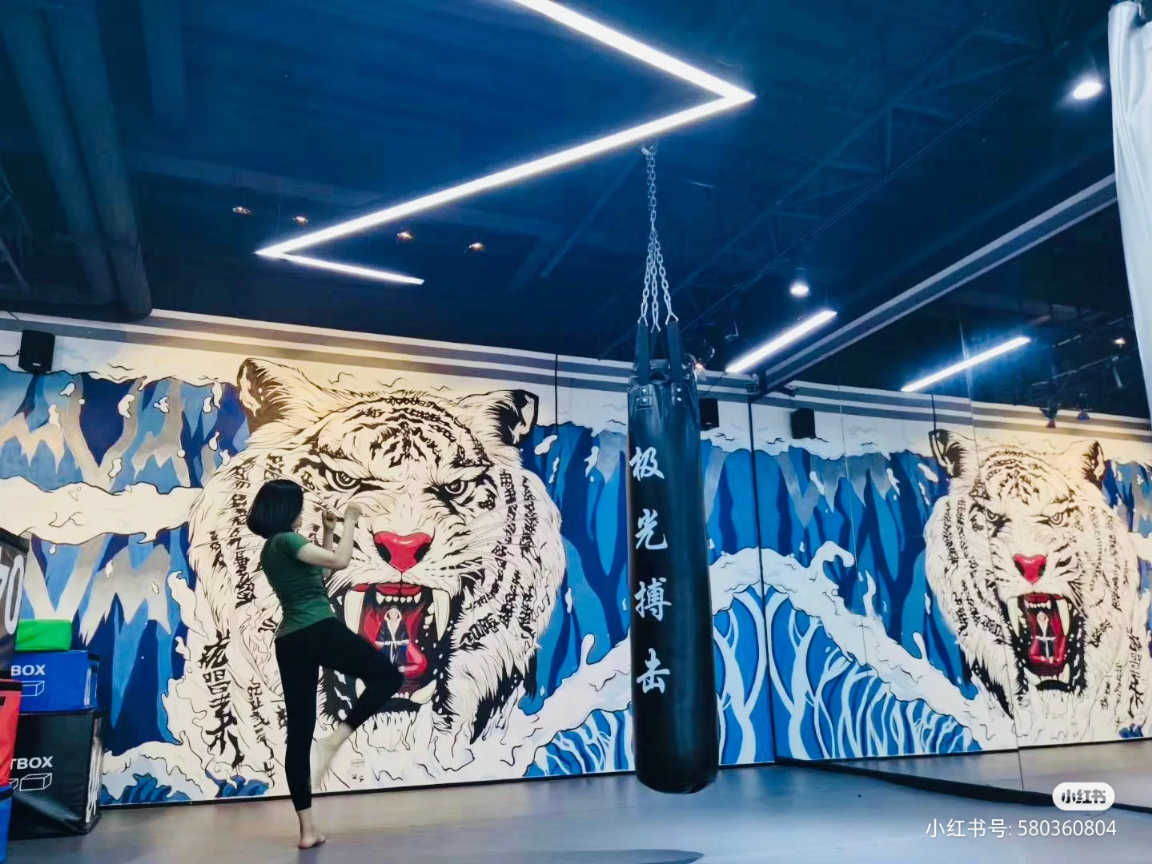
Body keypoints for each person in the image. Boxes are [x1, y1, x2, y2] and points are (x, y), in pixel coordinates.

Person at [246, 478, 403, 849]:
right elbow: (341, 562)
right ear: (286, 510)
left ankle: (307, 830)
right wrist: (350, 520)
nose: (302, 511)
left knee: (299, 734)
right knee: (388, 677)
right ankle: (336, 739)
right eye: (298, 506)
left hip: (290, 641)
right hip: (317, 629)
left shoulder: (272, 549)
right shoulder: (287, 540)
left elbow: (321, 574)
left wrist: (330, 532)